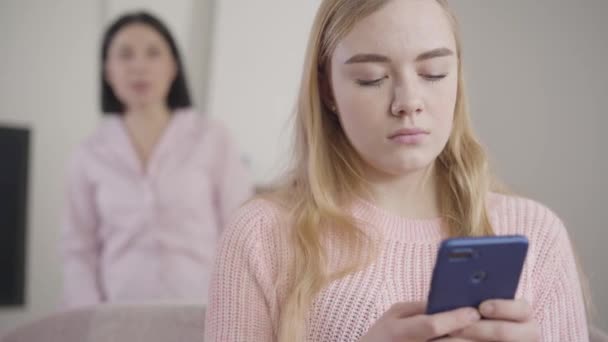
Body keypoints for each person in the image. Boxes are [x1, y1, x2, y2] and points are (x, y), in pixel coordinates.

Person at [204, 0, 588, 341]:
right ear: (327, 90)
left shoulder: (537, 234)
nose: (408, 102)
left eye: (434, 72)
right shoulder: (261, 235)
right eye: (372, 78)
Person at [61, 11, 253, 308]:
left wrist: (236, 309)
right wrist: (88, 317)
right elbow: (78, 249)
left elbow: (241, 232)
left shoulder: (212, 138)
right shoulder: (88, 154)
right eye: (125, 55)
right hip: (117, 316)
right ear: (108, 71)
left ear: (173, 66)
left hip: (201, 311)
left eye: (153, 53)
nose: (139, 66)